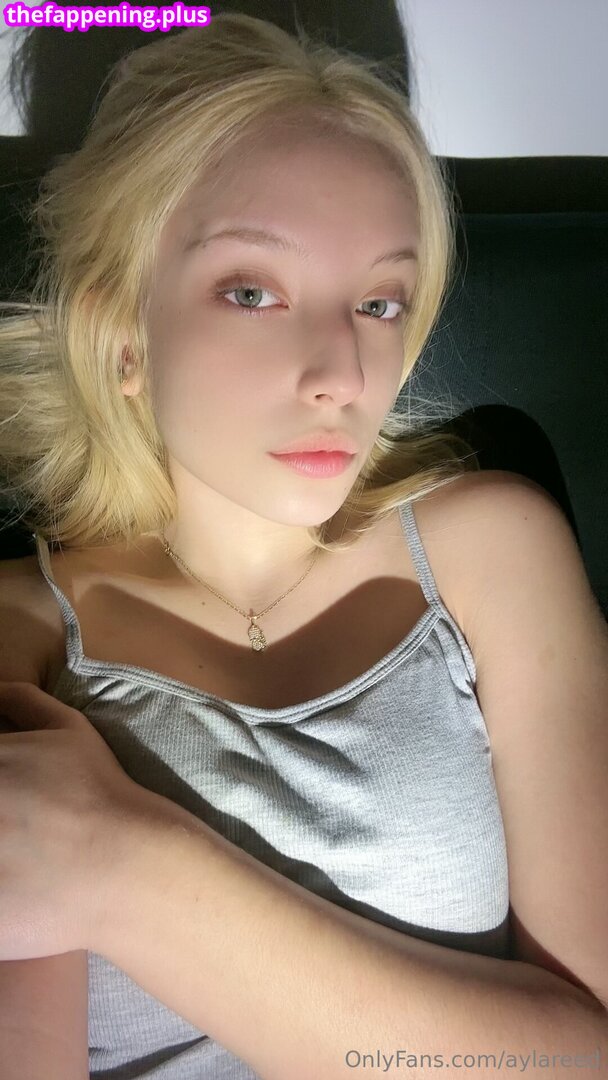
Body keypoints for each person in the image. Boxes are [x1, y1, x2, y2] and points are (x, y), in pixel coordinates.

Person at [2, 12, 606, 1080]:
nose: (342, 371)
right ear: (124, 337)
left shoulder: (489, 552)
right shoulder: (19, 633)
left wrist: (122, 866)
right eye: (252, 292)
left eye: (378, 301)